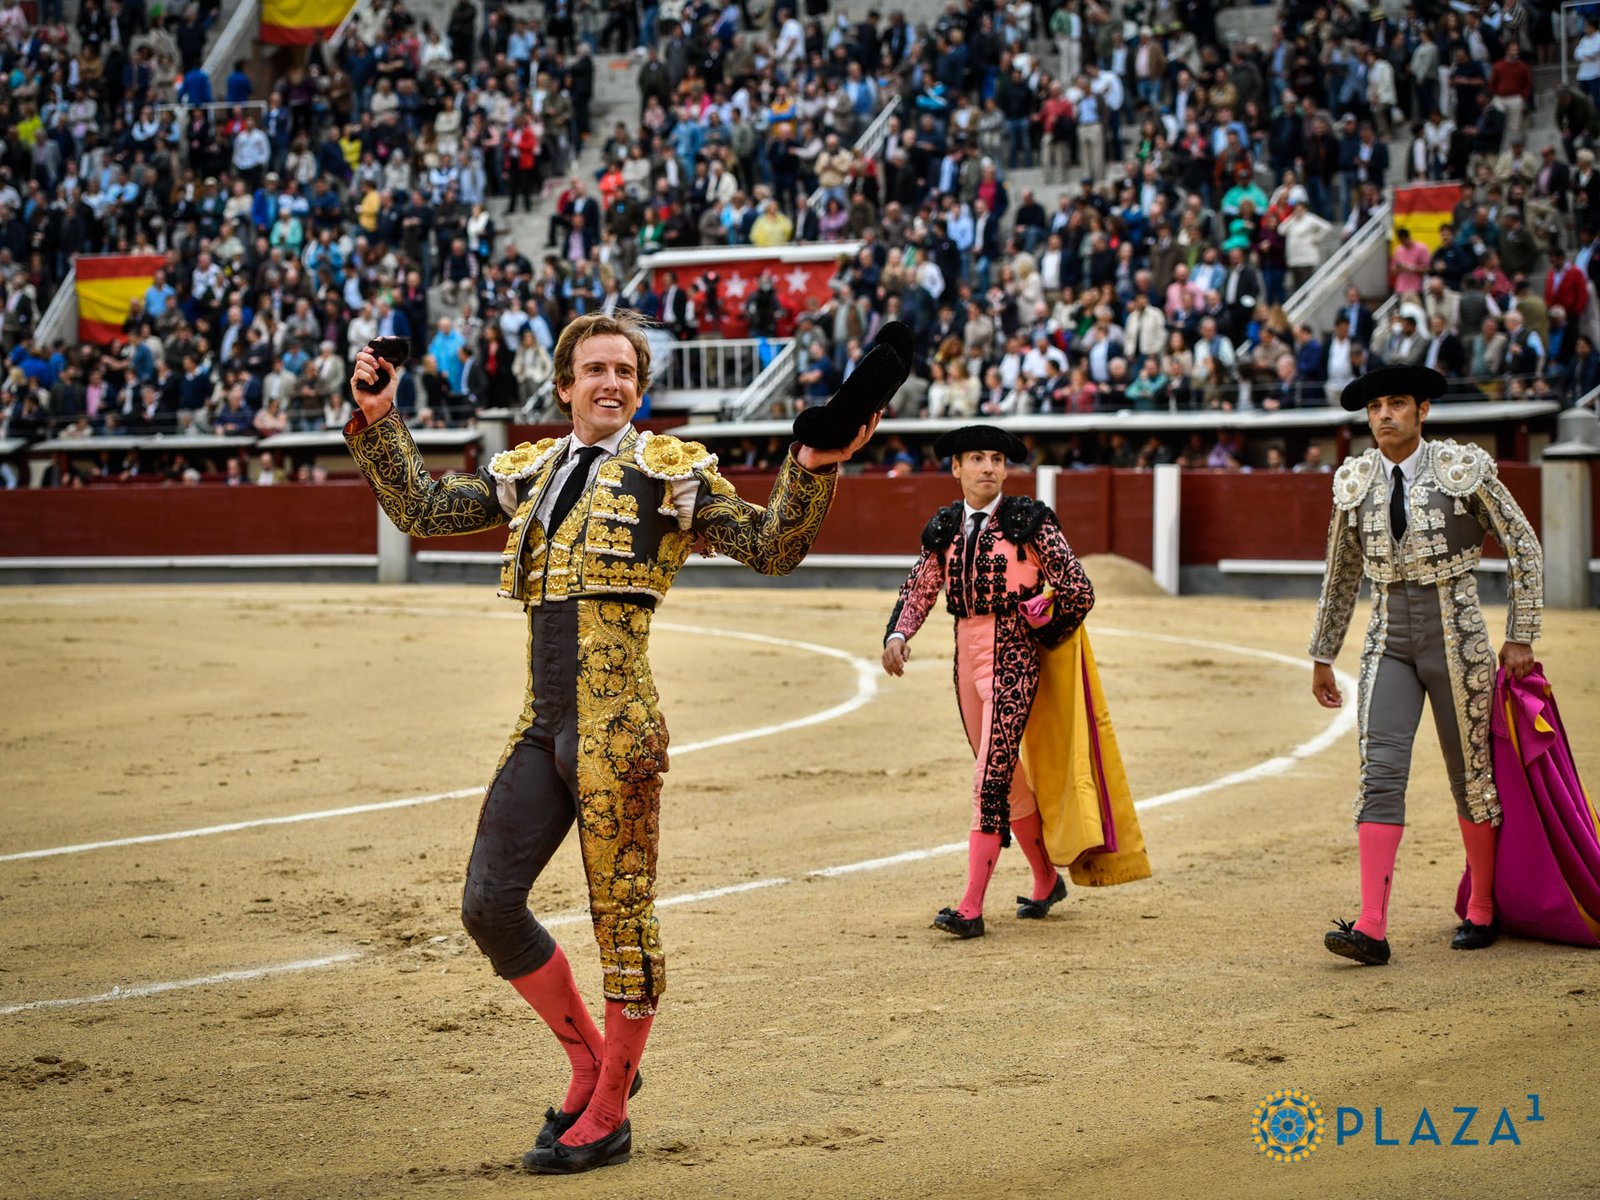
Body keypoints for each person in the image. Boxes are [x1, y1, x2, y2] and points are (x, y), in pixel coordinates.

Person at [343, 311, 878, 1174]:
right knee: (488, 904)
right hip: (542, 723)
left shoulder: (671, 472)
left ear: (639, 387)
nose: (611, 383)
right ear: (564, 386)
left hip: (619, 729)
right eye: (595, 369)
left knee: (622, 921)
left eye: (625, 371)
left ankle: (612, 1108)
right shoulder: (532, 470)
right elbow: (422, 509)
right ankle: (593, 1064)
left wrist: (813, 464)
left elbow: (772, 546)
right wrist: (379, 417)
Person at [1309, 365, 1543, 967]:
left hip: (1457, 638)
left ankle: (1483, 907)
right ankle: (1371, 925)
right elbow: (1341, 574)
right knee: (1380, 773)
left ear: (1423, 411)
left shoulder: (1462, 469)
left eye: (1396, 403)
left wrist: (1520, 635)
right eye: (1375, 407)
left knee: (1472, 775)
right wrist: (1323, 655)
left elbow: (1523, 545)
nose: (1384, 415)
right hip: (1387, 639)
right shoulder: (1356, 480)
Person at [880, 425, 1150, 940]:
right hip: (966, 656)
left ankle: (971, 907)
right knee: (1008, 779)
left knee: (990, 777)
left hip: (1013, 658)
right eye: (977, 458)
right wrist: (898, 634)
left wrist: (1041, 631)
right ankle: (1046, 878)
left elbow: (1077, 589)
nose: (988, 467)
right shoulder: (945, 527)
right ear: (956, 468)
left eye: (997, 460)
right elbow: (920, 586)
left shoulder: (1029, 521)